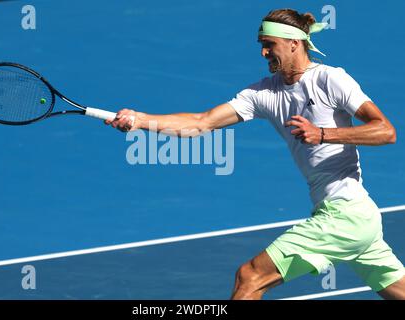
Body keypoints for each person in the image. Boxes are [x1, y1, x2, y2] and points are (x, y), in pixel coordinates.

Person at [105, 8, 405, 300]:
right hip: (356, 218)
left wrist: (323, 133)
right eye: (262, 46)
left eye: (268, 45)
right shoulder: (263, 93)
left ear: (293, 43)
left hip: (346, 216)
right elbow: (202, 122)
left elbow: (386, 131)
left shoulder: (330, 79)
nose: (263, 53)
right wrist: (141, 120)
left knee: (250, 277)